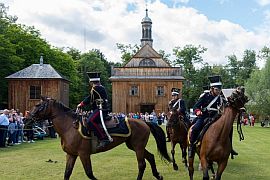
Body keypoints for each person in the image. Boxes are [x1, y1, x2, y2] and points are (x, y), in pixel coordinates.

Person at [188, 75, 238, 158]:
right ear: (212, 89)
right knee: (195, 128)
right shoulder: (205, 96)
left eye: (219, 89)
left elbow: (227, 106)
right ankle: (192, 147)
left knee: (229, 128)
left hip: (216, 117)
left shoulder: (221, 98)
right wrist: (198, 111)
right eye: (216, 89)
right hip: (204, 116)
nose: (218, 91)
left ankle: (230, 147)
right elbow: (196, 107)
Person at [77, 72, 110, 148]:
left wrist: (81, 104)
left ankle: (103, 138)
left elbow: (90, 99)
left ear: (91, 82)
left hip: (101, 109)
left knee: (90, 121)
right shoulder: (99, 87)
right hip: (99, 108)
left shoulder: (96, 89)